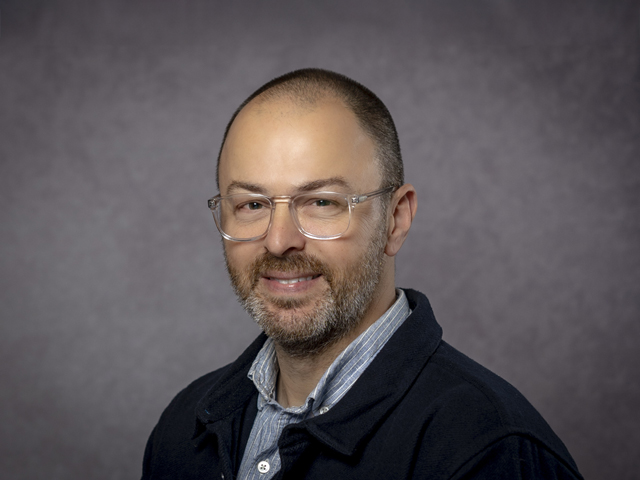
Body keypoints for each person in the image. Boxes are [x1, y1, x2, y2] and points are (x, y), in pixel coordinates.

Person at [142, 68, 583, 480]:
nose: (278, 241)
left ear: (395, 220)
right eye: (252, 204)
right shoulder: (183, 428)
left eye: (322, 202)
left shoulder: (487, 449)